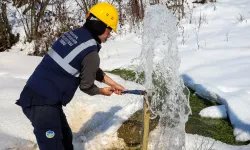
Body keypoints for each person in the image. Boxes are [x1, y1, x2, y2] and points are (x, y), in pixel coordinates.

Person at [16, 2, 125, 150]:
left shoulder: (73, 35)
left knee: (66, 140)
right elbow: (86, 86)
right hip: (42, 105)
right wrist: (101, 91)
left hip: (37, 97)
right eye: (109, 29)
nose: (109, 34)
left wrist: (112, 83)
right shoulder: (91, 52)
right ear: (100, 25)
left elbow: (88, 67)